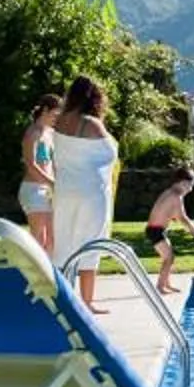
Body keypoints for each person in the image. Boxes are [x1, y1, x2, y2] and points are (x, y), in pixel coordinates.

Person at [47, 75, 121, 310]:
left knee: (63, 243)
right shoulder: (91, 124)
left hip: (64, 190)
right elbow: (110, 153)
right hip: (90, 191)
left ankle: (64, 302)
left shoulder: (58, 122)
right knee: (90, 244)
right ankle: (87, 303)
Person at [16, 93, 62, 255]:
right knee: (38, 239)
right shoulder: (32, 133)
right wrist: (53, 183)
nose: (57, 118)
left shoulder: (49, 133)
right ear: (45, 110)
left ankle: (49, 276)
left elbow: (52, 162)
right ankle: (28, 276)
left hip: (47, 190)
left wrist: (55, 182)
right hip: (34, 190)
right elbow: (31, 165)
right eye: (55, 114)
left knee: (52, 239)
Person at [142, 167, 194, 295]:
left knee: (169, 257)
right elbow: (182, 217)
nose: (191, 189)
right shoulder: (176, 196)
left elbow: (169, 212)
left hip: (156, 229)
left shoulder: (169, 192)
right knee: (168, 258)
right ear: (181, 183)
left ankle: (166, 284)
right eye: (189, 185)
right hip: (155, 231)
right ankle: (160, 286)